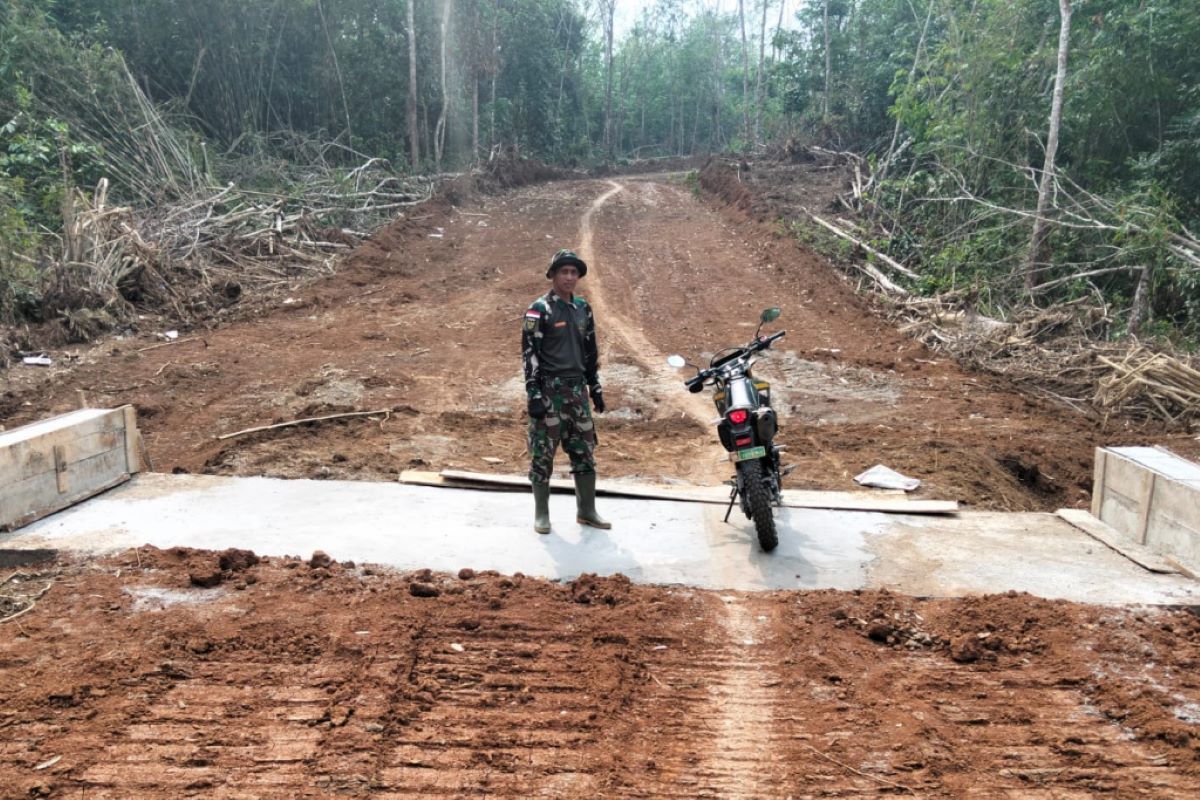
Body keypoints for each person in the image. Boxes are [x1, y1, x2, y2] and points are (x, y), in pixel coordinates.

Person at [521, 249, 610, 534]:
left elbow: (589, 350)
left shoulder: (583, 308)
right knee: (542, 452)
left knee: (584, 450)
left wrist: (594, 387)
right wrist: (533, 394)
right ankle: (542, 515)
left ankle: (586, 510)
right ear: (553, 275)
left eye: (574, 272)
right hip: (549, 391)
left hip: (577, 391)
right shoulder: (539, 310)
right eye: (564, 272)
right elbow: (529, 354)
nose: (569, 277)